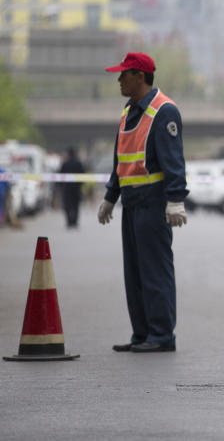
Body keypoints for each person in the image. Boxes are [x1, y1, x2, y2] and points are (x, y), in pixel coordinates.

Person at [97, 52, 188, 353]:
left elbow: (173, 160)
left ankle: (162, 335)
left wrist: (175, 200)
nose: (119, 79)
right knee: (134, 273)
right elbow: (119, 159)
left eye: (124, 74)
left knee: (154, 271)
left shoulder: (164, 111)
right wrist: (111, 196)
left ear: (140, 76)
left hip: (153, 203)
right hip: (132, 205)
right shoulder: (128, 111)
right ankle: (142, 334)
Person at [59, 147, 85, 229]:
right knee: (76, 205)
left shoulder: (65, 163)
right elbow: (83, 174)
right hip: (76, 188)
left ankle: (69, 221)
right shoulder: (79, 163)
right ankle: (74, 222)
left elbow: (60, 176)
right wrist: (80, 185)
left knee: (67, 205)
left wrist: (60, 186)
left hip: (67, 188)